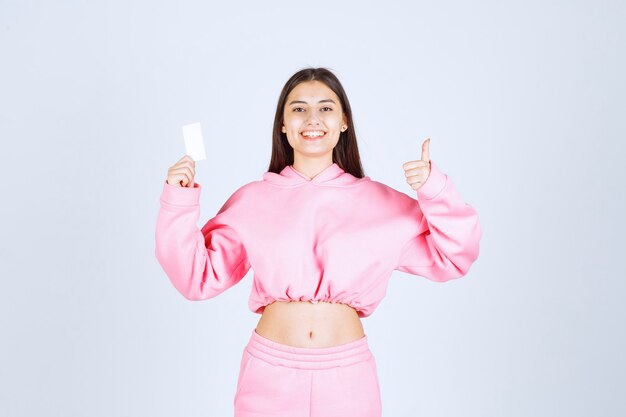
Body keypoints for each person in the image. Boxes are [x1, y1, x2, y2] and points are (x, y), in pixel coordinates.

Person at [155, 67, 482, 417]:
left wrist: (435, 190)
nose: (312, 118)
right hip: (269, 375)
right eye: (298, 108)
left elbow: (455, 256)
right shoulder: (252, 200)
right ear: (283, 124)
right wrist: (179, 200)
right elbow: (195, 278)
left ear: (344, 122)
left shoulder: (382, 204)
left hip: (347, 379)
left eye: (326, 108)